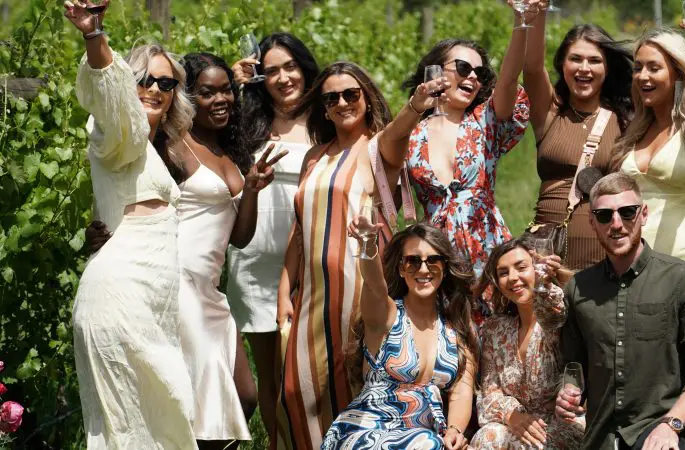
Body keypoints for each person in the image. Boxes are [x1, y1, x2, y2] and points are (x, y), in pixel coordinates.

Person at [82, 52, 281, 448]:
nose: (220, 100)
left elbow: (239, 238)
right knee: (217, 400)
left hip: (210, 289)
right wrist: (103, 228)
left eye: (226, 91)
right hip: (178, 280)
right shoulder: (173, 145)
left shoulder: (229, 154)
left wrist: (252, 189)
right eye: (207, 92)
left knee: (240, 397)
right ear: (188, 96)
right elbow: (129, 181)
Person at [277, 61, 444, 449]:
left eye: (351, 94)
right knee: (296, 394)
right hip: (311, 296)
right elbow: (299, 230)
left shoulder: (379, 148)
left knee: (353, 393)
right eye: (331, 98)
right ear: (323, 108)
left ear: (367, 99)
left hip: (361, 293)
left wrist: (415, 105)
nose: (342, 103)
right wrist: (284, 290)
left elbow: (400, 130)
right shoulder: (313, 157)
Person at [65, 1, 195, 447]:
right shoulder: (121, 131)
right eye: (144, 79)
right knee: (128, 432)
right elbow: (113, 101)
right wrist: (94, 36)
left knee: (159, 424)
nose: (154, 89)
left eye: (166, 82)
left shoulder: (154, 151)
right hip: (120, 299)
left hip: (148, 306)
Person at [615, 22, 685, 450]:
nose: (643, 76)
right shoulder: (637, 128)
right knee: (647, 358)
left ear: (678, 72)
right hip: (642, 253)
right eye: (638, 68)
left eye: (654, 67)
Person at [556, 173, 685, 450]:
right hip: (599, 437)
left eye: (627, 212)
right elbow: (573, 365)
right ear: (592, 223)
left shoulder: (682, 279)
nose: (616, 224)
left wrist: (671, 424)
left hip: (659, 432)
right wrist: (569, 391)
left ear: (643, 214)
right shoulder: (578, 288)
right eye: (604, 216)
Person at [403, 8, 531, 324]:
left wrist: (521, 21)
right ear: (436, 71)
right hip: (436, 260)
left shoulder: (485, 121)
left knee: (498, 339)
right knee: (448, 344)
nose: (473, 76)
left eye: (480, 73)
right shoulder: (411, 133)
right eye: (463, 67)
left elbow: (509, 79)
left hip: (488, 251)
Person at [229, 35, 319, 444]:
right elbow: (195, 129)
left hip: (312, 260)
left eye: (291, 67)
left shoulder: (325, 117)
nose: (283, 78)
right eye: (272, 71)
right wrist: (235, 85)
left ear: (305, 68)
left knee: (310, 373)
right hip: (255, 263)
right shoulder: (248, 122)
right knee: (272, 380)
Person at [322, 222, 478, 450]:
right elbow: (375, 285)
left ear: (444, 268)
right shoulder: (386, 315)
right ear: (401, 269)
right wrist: (368, 243)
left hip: (422, 438)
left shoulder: (456, 329)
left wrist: (454, 431)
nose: (423, 269)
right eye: (412, 261)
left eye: (433, 260)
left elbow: (461, 392)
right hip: (367, 433)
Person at [522, 0, 633, 271]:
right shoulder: (550, 113)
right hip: (544, 257)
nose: (584, 68)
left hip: (603, 258)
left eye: (594, 61)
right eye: (575, 59)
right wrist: (538, 13)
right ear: (562, 64)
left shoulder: (624, 118)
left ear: (607, 69)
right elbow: (532, 68)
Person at [470, 238, 582, 450]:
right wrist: (512, 415)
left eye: (521, 267)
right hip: (516, 424)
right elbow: (489, 393)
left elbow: (553, 310)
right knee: (487, 437)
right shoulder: (495, 328)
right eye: (503, 273)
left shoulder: (557, 320)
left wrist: (544, 284)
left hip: (561, 423)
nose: (513, 277)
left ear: (537, 269)